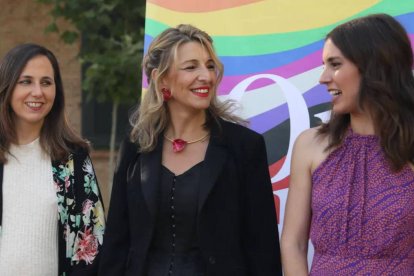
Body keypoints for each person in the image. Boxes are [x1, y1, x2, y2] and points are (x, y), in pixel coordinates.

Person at [99, 24, 282, 275]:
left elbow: (262, 247)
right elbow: (117, 241)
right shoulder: (136, 146)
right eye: (191, 67)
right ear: (161, 79)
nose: (206, 76)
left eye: (209, 66)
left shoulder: (245, 147)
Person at [281, 13, 414, 275]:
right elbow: (293, 243)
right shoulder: (310, 145)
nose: (323, 77)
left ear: (373, 66)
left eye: (335, 64)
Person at [0, 43, 105, 275]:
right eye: (25, 81)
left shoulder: (73, 159)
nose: (38, 92)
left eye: (46, 82)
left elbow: (92, 244)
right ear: (7, 87)